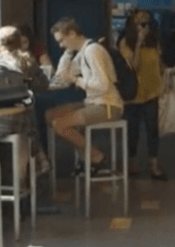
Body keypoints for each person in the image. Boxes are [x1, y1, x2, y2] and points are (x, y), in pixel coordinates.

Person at [46, 17, 123, 172]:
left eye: (62, 41)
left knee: (60, 125)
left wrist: (77, 80)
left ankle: (96, 156)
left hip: (108, 105)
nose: (61, 45)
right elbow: (62, 78)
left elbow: (102, 85)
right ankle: (86, 156)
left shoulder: (93, 50)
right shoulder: (82, 52)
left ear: (72, 34)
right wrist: (67, 53)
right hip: (93, 102)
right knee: (50, 115)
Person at [0, 26, 50, 174]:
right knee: (29, 116)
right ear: (18, 42)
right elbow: (43, 83)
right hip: (14, 123)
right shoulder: (24, 59)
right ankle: (33, 170)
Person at [118, 9, 168, 180]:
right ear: (132, 25)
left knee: (152, 129)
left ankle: (153, 162)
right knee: (133, 130)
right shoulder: (125, 42)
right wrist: (138, 43)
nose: (144, 27)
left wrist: (165, 75)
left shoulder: (154, 42)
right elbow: (133, 66)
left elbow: (159, 64)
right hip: (133, 94)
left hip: (152, 92)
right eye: (140, 23)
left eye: (147, 23)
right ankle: (131, 161)